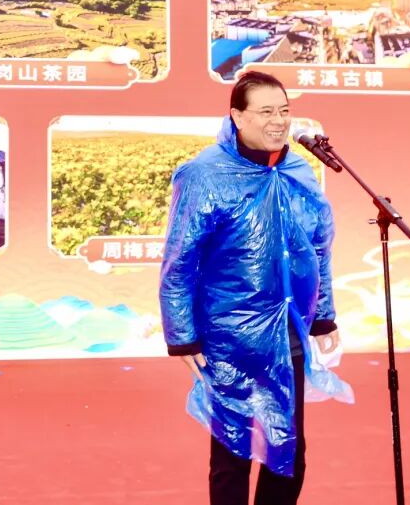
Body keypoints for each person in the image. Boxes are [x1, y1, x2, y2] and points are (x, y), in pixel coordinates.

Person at [159, 71, 341, 505]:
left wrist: (322, 315)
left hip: (288, 330)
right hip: (229, 337)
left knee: (288, 451)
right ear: (238, 116)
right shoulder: (205, 174)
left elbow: (317, 247)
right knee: (232, 455)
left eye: (284, 110)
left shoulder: (297, 170)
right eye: (266, 112)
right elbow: (180, 260)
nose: (278, 121)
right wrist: (182, 336)